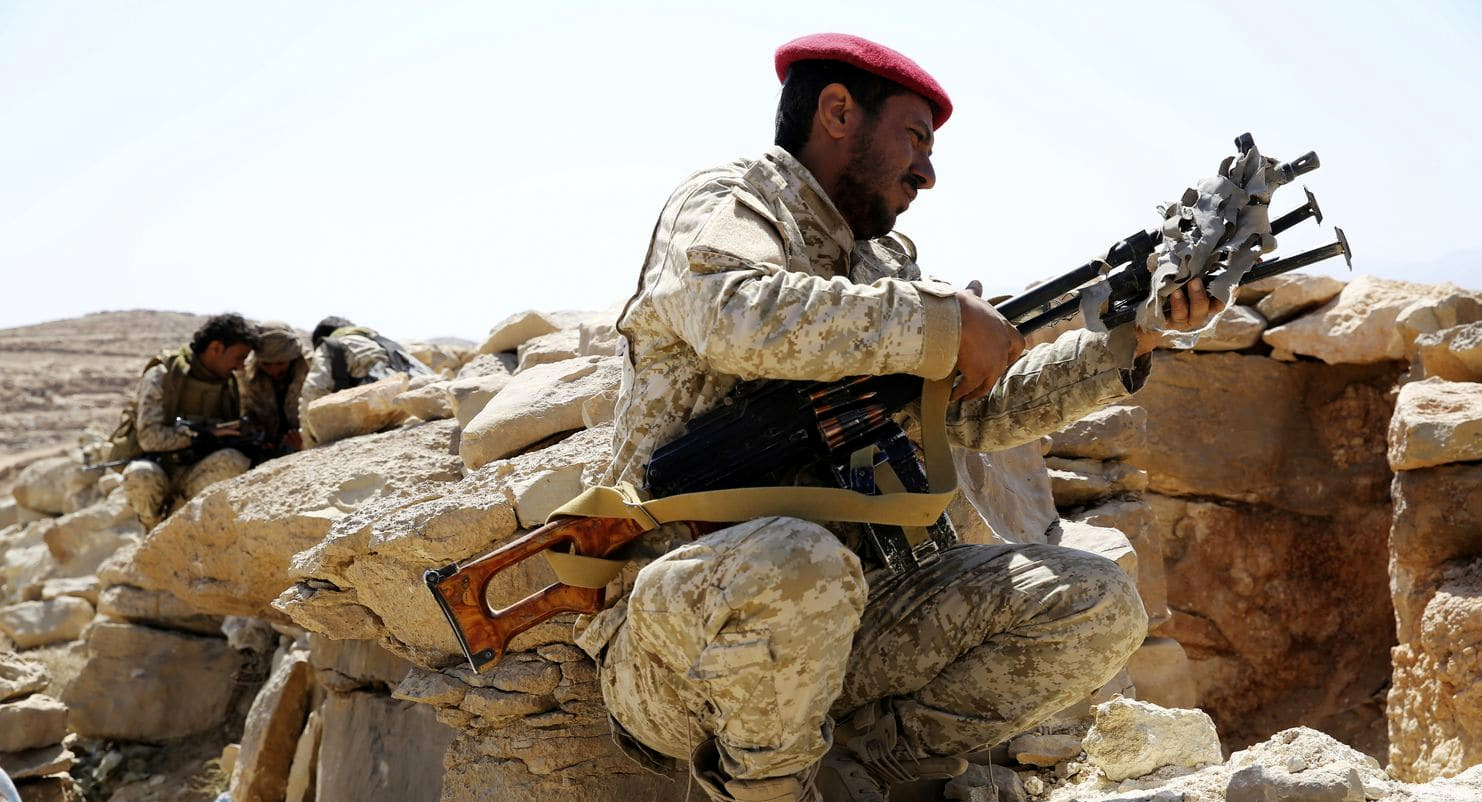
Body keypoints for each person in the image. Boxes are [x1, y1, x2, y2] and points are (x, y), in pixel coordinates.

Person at [580, 34, 1223, 802]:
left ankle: (868, 770)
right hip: (681, 642)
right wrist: (941, 322)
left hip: (842, 619)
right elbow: (737, 316)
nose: (928, 171)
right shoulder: (732, 205)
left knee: (1095, 602)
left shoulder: (882, 268)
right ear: (838, 111)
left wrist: (1137, 334)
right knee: (797, 558)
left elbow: (984, 416)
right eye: (915, 138)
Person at [114, 313, 260, 529]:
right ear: (216, 348)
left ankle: (174, 524)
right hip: (160, 468)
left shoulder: (231, 383)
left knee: (234, 460)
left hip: (197, 473)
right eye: (238, 357)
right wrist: (201, 435)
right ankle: (151, 529)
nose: (240, 366)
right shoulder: (164, 373)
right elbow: (149, 437)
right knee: (140, 475)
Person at [297, 316, 431, 446]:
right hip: (416, 413)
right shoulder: (384, 342)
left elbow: (313, 391)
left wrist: (309, 442)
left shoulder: (329, 345)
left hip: (375, 418)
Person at [241, 321, 309, 457]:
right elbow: (247, 414)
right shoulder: (248, 374)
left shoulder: (312, 371)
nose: (273, 370)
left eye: (280, 363)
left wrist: (305, 441)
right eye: (266, 364)